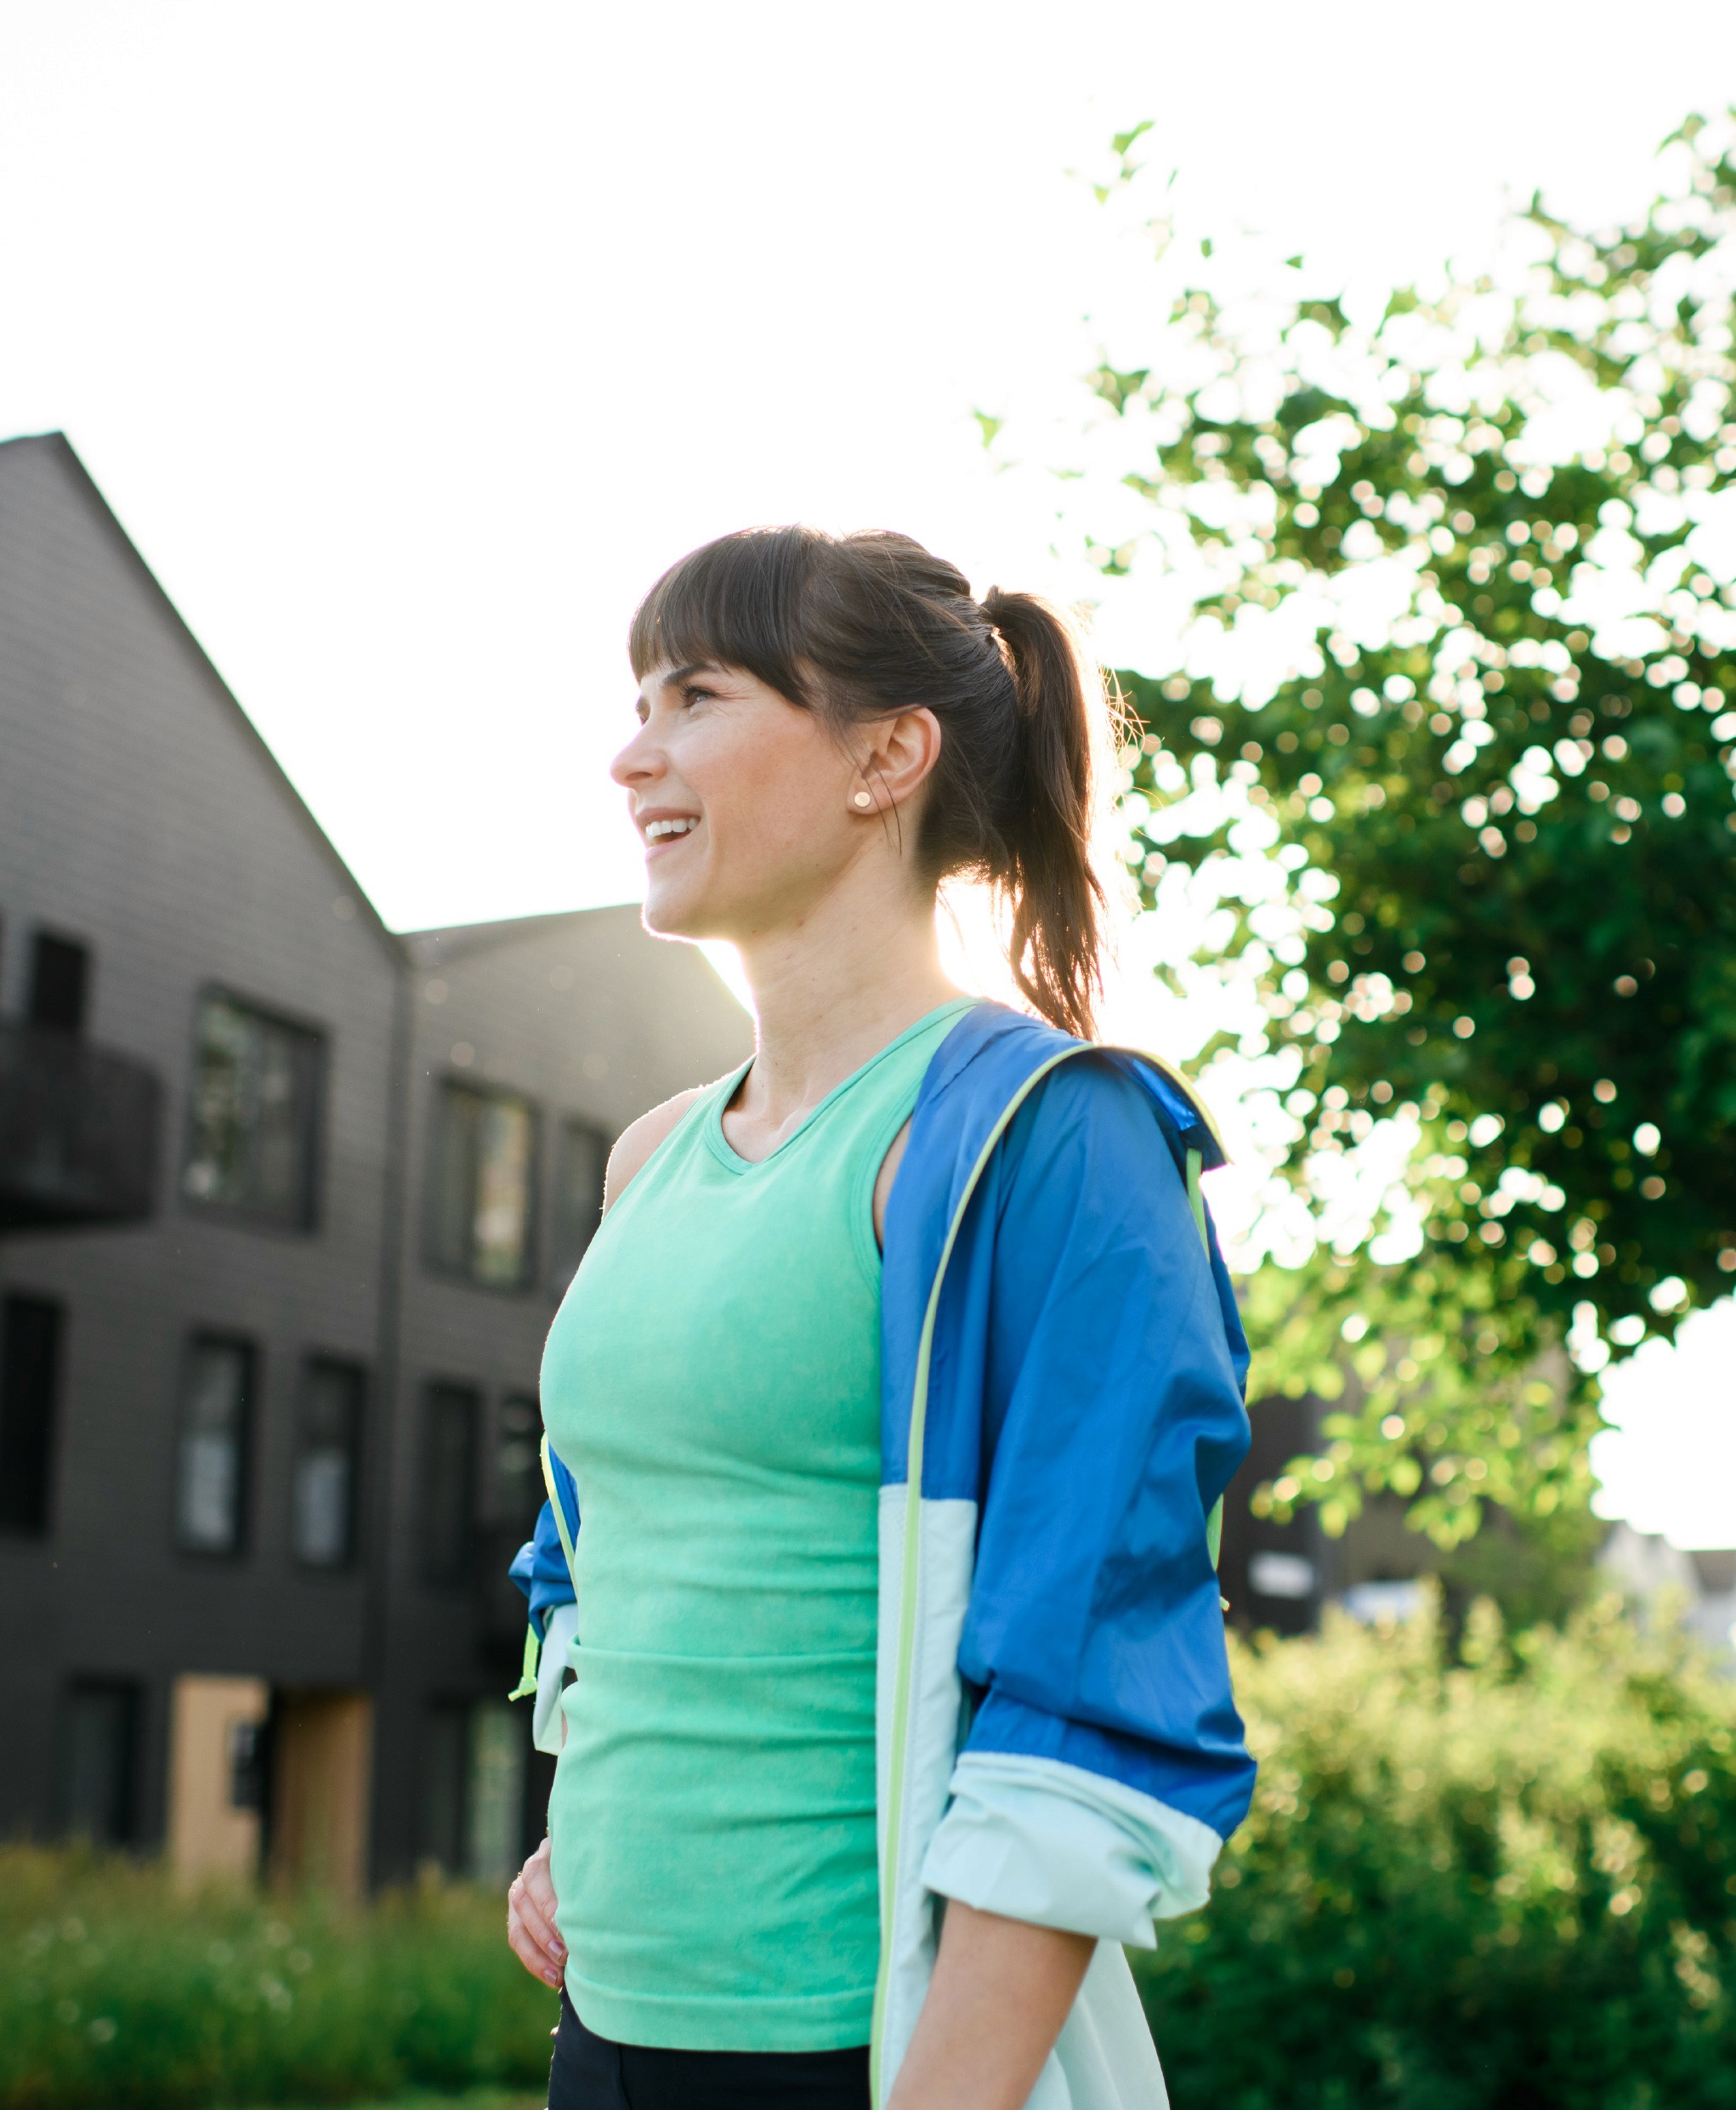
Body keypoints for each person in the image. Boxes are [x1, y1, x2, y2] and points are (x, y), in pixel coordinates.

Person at [505, 527, 1254, 2110]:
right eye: (636, 697)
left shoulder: (1049, 1137)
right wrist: (585, 1835)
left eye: (694, 693)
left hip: (858, 2058)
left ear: (885, 756)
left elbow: (1090, 1672)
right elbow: (619, 1566)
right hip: (608, 2035)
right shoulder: (648, 1158)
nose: (632, 751)